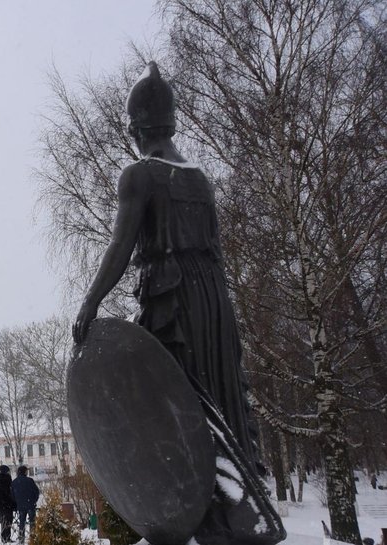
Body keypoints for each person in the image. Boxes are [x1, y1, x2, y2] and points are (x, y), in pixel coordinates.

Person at [72, 61, 283, 545]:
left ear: (136, 127)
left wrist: (91, 300)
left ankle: (210, 515)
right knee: (219, 398)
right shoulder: (199, 178)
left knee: (178, 401)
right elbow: (213, 250)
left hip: (172, 299)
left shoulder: (140, 176)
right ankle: (234, 509)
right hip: (212, 299)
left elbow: (121, 245)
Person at [12, 465, 40, 541]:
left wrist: (17, 503)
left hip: (20, 506)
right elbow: (36, 492)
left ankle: (21, 538)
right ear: (25, 472)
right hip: (30, 505)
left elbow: (12, 495)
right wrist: (34, 501)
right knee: (32, 522)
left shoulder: (14, 482)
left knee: (22, 523)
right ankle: (33, 538)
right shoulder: (30, 480)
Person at [0, 465, 17, 543]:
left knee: (4, 521)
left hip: (2, 505)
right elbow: (9, 493)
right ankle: (6, 537)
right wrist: (13, 503)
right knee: (8, 521)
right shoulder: (7, 479)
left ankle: (4, 538)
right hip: (7, 505)